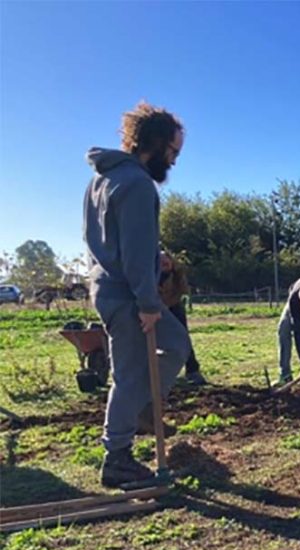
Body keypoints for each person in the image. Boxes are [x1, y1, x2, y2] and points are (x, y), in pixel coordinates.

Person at [83, 101, 191, 488]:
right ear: (156, 143)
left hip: (109, 286)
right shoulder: (137, 184)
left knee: (176, 344)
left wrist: (153, 255)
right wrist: (148, 302)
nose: (174, 161)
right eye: (173, 151)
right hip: (127, 294)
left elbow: (113, 238)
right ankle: (118, 458)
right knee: (128, 377)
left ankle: (143, 407)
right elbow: (130, 252)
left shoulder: (103, 180)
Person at [159, 252, 207, 386]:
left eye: (167, 262)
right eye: (161, 262)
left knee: (183, 337)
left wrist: (167, 306)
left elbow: (183, 290)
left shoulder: (177, 275)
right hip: (153, 309)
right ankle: (158, 374)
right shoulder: (149, 275)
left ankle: (193, 371)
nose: (165, 264)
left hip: (173, 307)